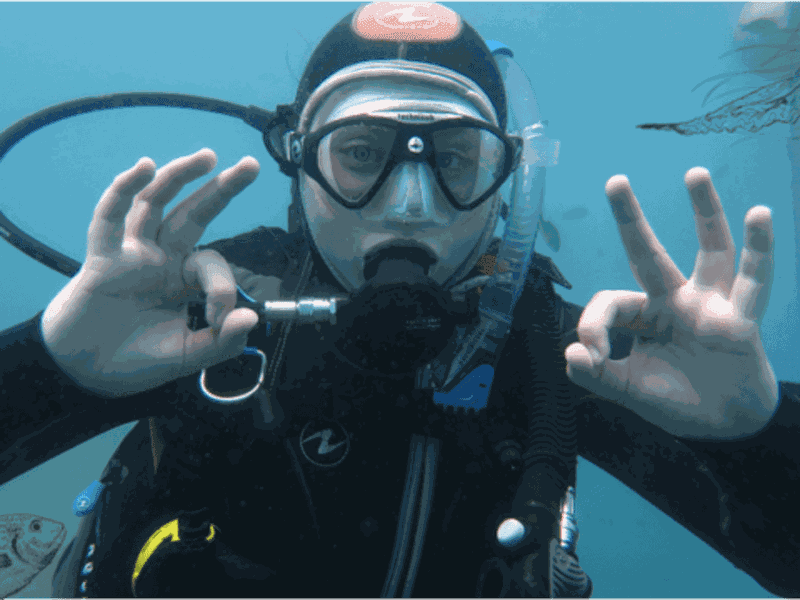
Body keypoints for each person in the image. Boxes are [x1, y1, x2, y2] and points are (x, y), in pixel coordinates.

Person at [0, 2, 797, 597]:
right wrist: (51, 364)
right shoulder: (203, 312)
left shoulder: (558, 355)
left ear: (507, 180)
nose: (410, 203)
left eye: (455, 158)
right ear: (299, 164)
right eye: (360, 153)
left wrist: (753, 436)